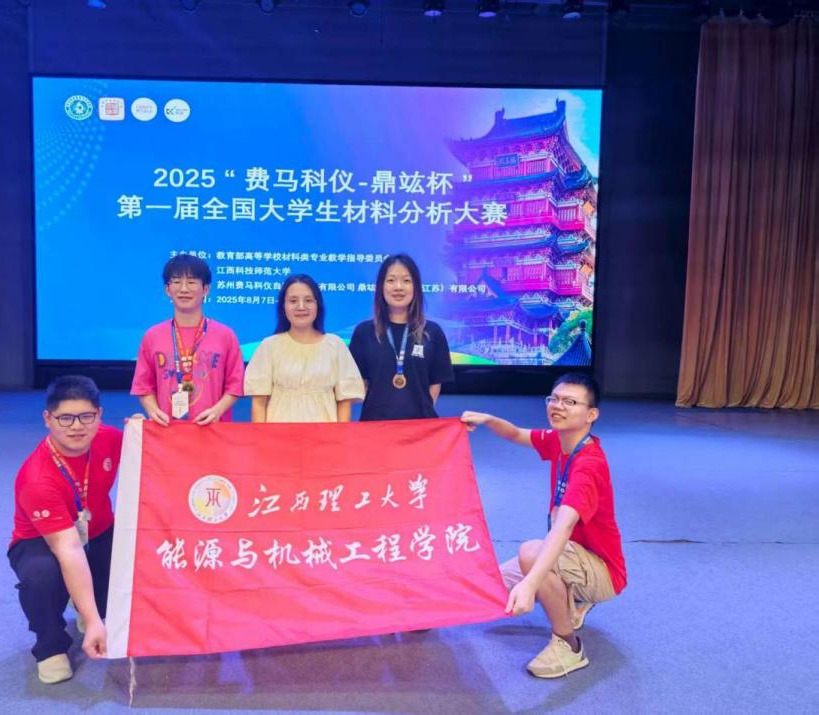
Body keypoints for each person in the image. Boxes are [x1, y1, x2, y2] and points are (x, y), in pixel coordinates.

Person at [461, 373, 627, 678]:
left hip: (602, 570)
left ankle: (569, 645)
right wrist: (489, 419)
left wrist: (530, 584)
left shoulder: (589, 464)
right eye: (554, 399)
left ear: (591, 414)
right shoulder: (559, 441)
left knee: (530, 555)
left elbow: (562, 528)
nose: (558, 406)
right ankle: (572, 598)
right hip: (573, 554)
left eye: (570, 402)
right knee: (492, 587)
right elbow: (516, 434)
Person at [7, 375, 122, 684]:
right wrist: (94, 621)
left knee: (132, 549)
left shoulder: (111, 438)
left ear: (99, 415)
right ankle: (50, 646)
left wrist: (141, 428)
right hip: (42, 542)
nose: (77, 426)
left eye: (86, 416)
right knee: (41, 576)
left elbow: (153, 453)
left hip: (98, 530)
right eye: (65, 418)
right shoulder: (37, 478)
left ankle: (87, 603)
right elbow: (68, 548)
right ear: (48, 419)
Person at [131, 254, 244, 425]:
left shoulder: (225, 335)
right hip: (166, 430)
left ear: (206, 289)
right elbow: (143, 386)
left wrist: (217, 411)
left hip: (213, 429)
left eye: (191, 282)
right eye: (176, 282)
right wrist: (153, 411)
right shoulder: (152, 336)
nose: (184, 289)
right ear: (167, 290)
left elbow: (235, 385)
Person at [244, 274, 364, 422]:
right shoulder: (269, 346)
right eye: (293, 301)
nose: (301, 307)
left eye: (308, 300)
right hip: (279, 433)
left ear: (318, 305)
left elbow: (344, 401)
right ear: (283, 307)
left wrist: (340, 434)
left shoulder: (335, 345)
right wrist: (262, 435)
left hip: (325, 434)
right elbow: (258, 403)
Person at [348, 254, 454, 420]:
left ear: (416, 287)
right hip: (375, 426)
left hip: (420, 427)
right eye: (391, 280)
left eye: (406, 280)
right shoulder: (364, 332)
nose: (398, 287)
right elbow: (362, 384)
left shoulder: (432, 332)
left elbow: (434, 385)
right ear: (381, 287)